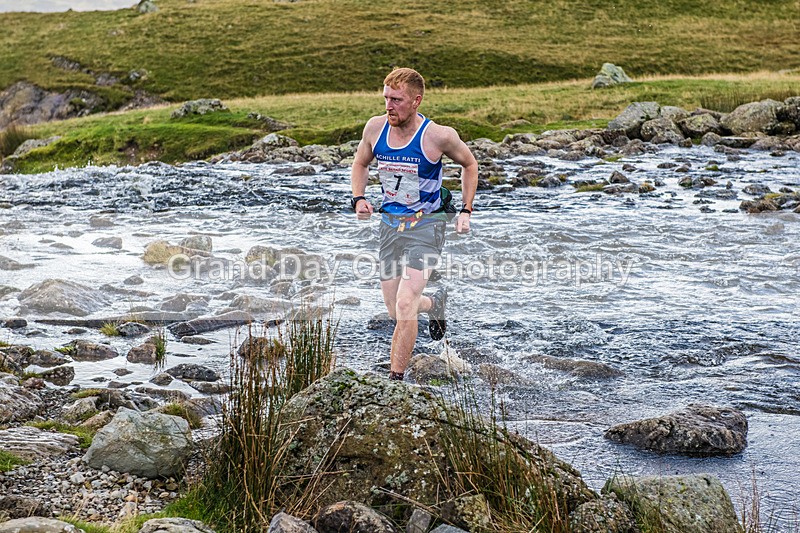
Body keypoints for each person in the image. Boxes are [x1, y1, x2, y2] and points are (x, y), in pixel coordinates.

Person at [350, 67, 478, 381]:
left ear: (416, 101)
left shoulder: (438, 136)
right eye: (386, 98)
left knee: (406, 302)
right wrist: (358, 198)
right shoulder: (375, 129)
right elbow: (360, 162)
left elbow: (470, 164)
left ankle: (395, 381)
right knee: (395, 310)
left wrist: (465, 210)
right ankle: (435, 304)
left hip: (428, 226)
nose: (389, 106)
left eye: (397, 99)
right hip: (390, 226)